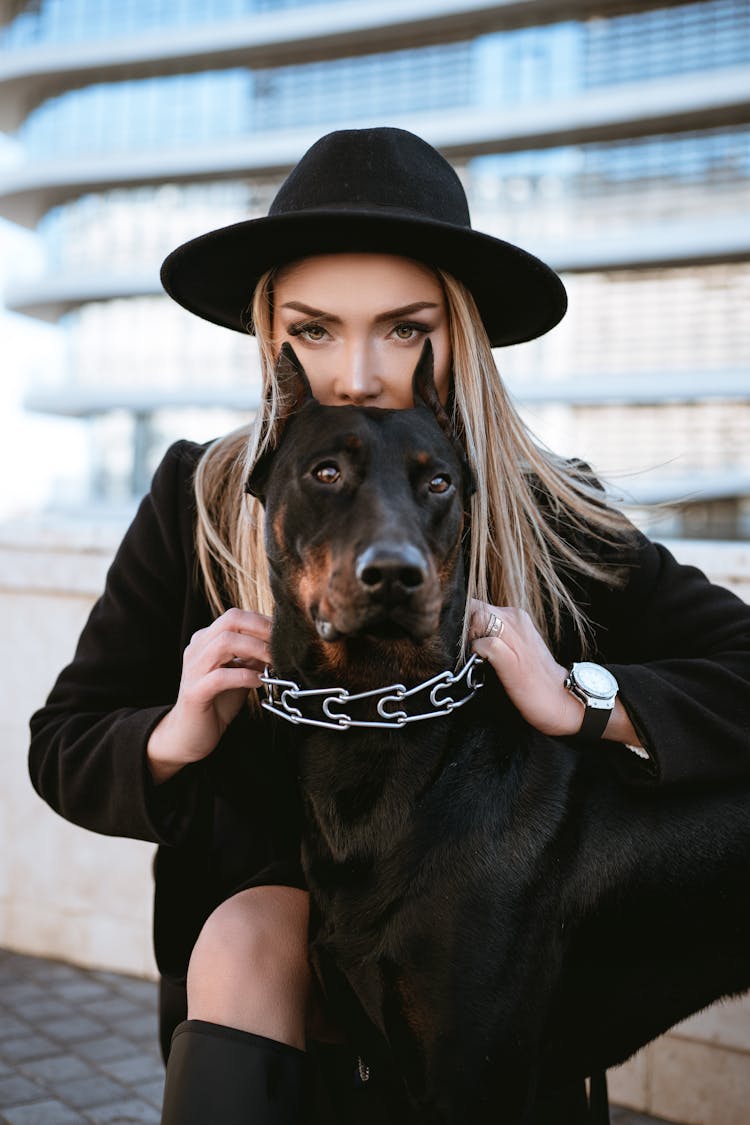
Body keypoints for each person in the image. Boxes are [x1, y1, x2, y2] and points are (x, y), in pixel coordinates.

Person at [28, 128, 750, 1125]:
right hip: (276, 991)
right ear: (270, 334)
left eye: (403, 329)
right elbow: (60, 746)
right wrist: (172, 731)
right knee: (249, 936)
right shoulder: (201, 498)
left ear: (456, 333)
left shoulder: (549, 516)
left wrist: (584, 696)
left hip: (480, 955)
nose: (359, 374)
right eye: (316, 330)